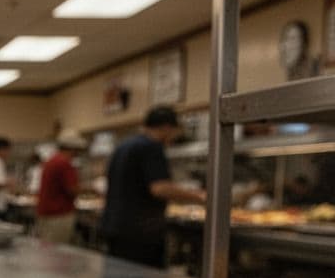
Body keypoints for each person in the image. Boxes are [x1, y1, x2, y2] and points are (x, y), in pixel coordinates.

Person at [101, 106, 206, 267]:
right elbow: (160, 188)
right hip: (140, 233)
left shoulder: (123, 146)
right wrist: (201, 198)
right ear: (166, 128)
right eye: (175, 132)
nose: (173, 138)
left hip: (116, 227)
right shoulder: (151, 146)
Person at [34, 132, 86, 244]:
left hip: (46, 213)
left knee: (46, 250)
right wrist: (90, 189)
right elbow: (72, 190)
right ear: (73, 148)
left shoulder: (51, 161)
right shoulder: (64, 163)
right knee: (56, 253)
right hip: (59, 215)